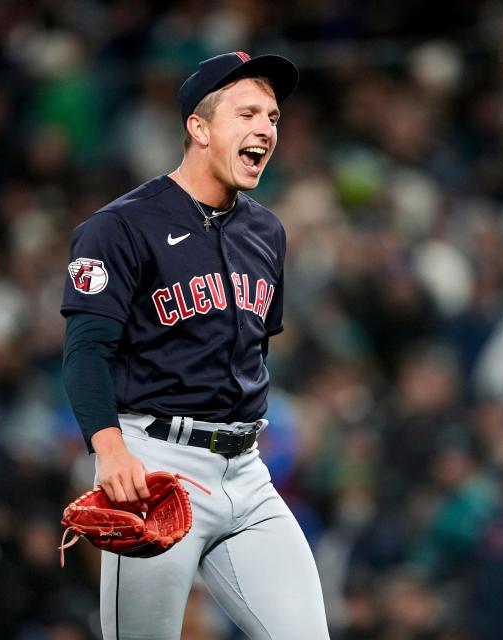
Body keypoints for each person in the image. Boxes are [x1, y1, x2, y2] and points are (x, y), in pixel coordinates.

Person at [61, 51, 329, 639]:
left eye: (274, 117)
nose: (266, 129)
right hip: (157, 464)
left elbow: (252, 351)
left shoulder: (267, 231)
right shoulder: (119, 227)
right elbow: (85, 353)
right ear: (199, 128)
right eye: (248, 113)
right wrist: (110, 450)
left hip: (247, 473)